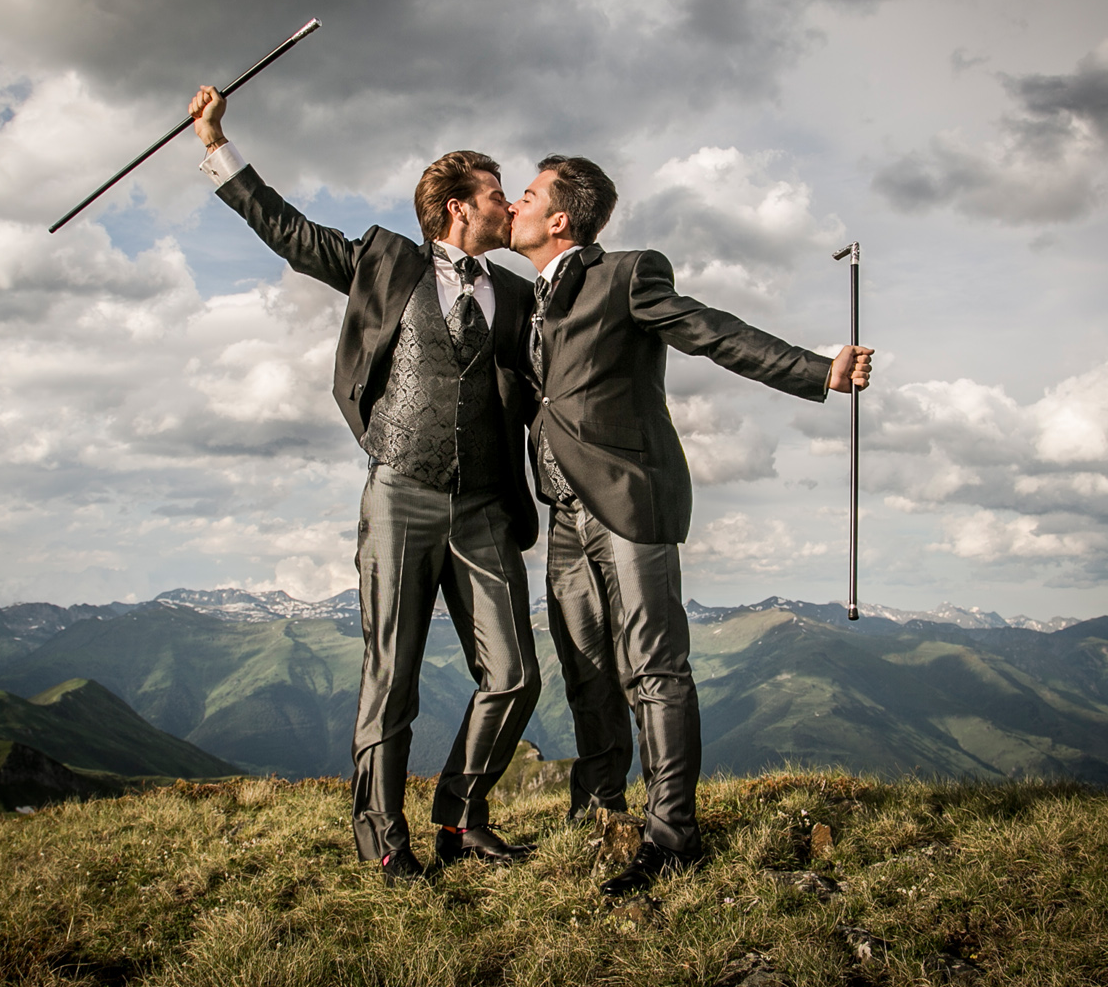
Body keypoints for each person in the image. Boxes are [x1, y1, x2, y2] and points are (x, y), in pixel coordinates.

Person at [187, 87, 542, 883]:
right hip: (401, 493)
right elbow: (289, 231)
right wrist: (216, 143)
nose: (506, 203)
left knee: (515, 673)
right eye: (495, 193)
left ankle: (457, 814)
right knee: (394, 674)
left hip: (486, 503)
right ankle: (383, 837)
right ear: (457, 208)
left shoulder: (519, 296)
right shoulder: (385, 260)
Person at [507, 154, 872, 896]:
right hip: (563, 511)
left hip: (630, 500)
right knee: (585, 669)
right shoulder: (526, 300)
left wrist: (817, 371)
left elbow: (713, 332)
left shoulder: (628, 274)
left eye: (527, 194)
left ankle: (674, 835)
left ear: (559, 219)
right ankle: (601, 811)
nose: (512, 204)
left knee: (653, 668)